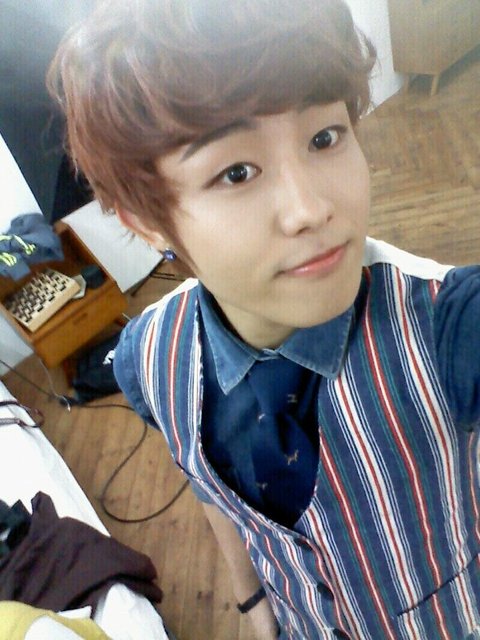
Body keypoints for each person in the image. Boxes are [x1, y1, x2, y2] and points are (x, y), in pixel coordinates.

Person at [47, 1, 480, 638]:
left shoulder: (449, 325)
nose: (310, 209)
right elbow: (207, 485)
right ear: (145, 220)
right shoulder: (149, 359)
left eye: (324, 137)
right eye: (236, 172)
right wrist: (250, 600)